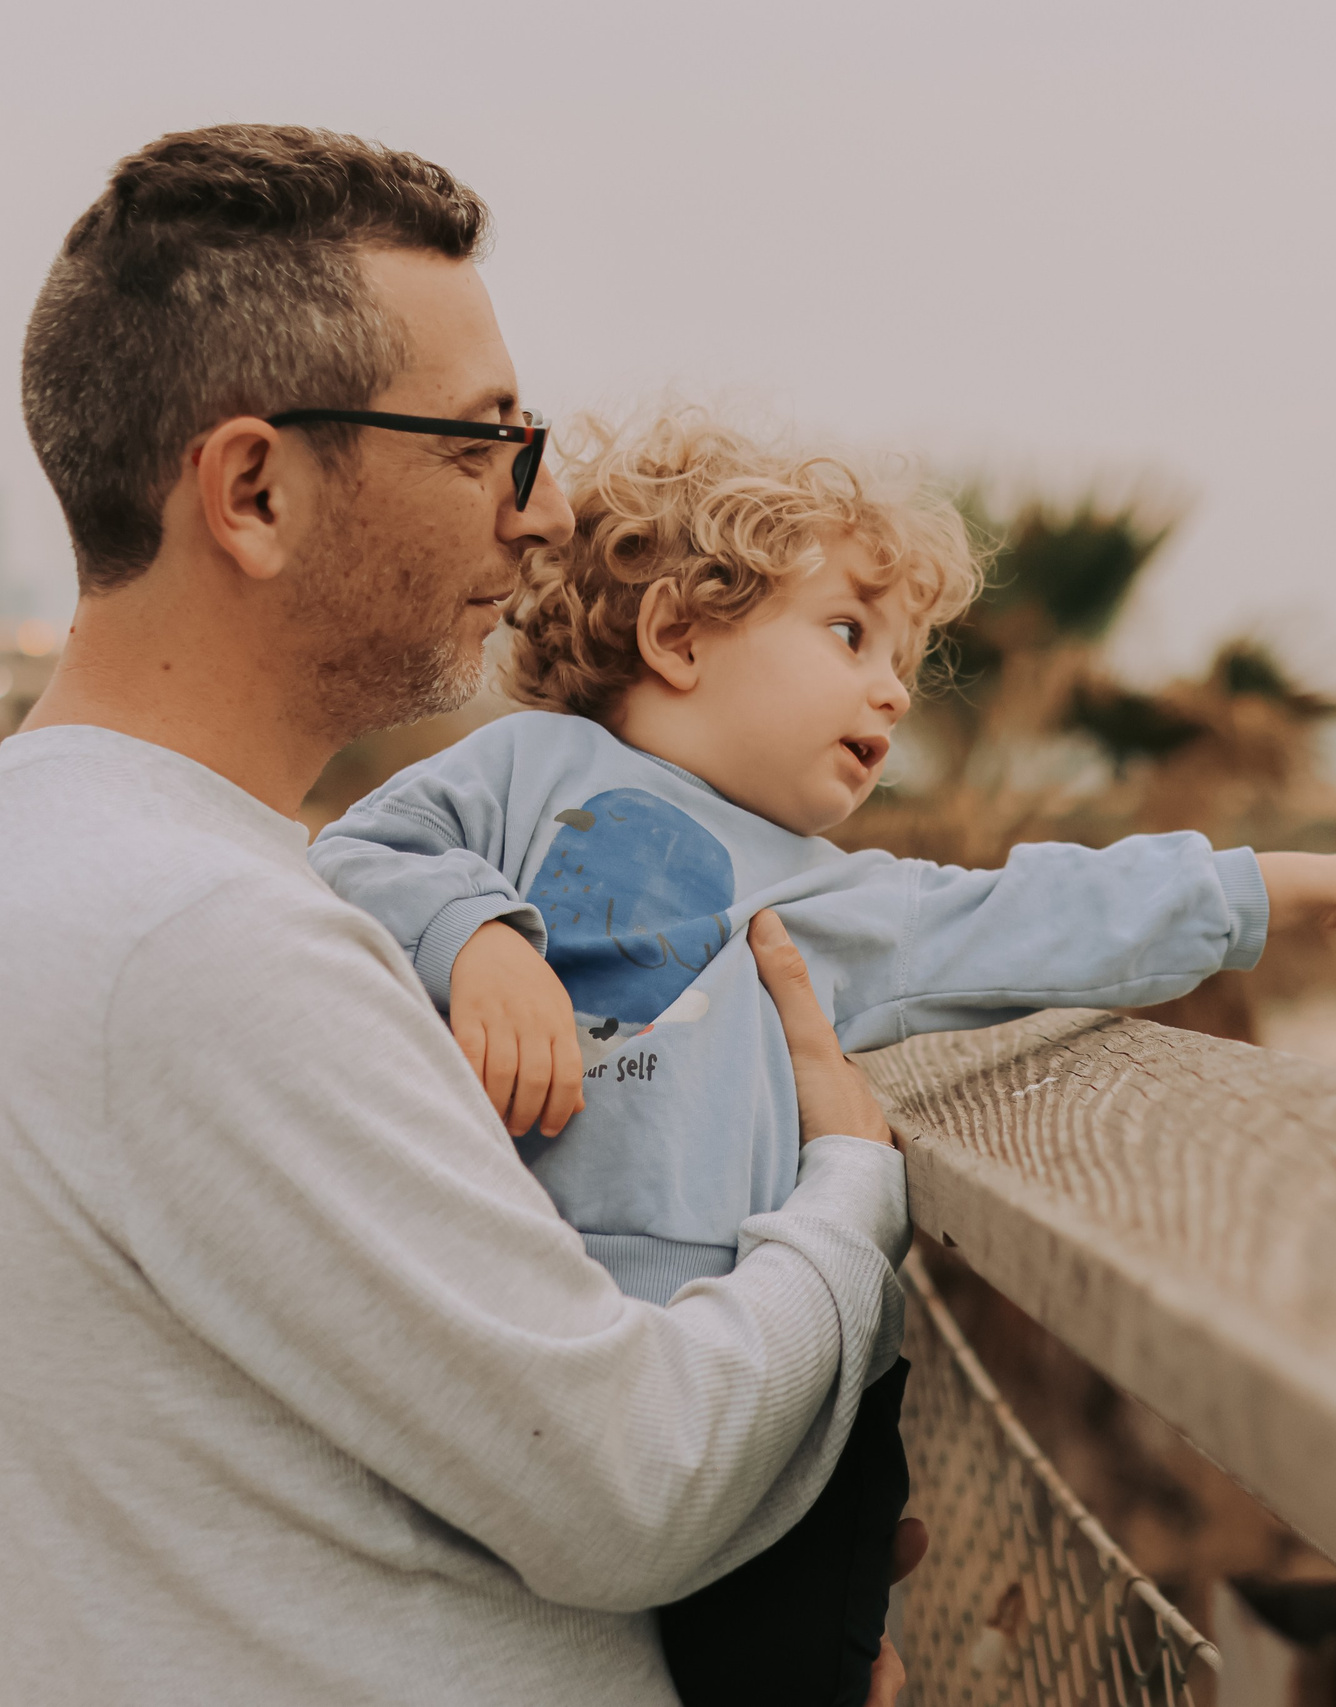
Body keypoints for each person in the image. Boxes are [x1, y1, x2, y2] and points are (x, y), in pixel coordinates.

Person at [305, 407, 1336, 1706]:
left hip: (774, 1420)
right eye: (848, 634)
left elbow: (1044, 915)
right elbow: (360, 854)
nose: (892, 686)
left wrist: (1281, 884)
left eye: (907, 657)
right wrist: (480, 941)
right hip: (528, 1355)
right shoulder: (526, 771)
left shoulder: (855, 902)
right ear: (679, 634)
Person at [1, 124, 917, 1706]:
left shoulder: (73, 859)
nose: (545, 513)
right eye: (484, 441)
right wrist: (846, 1197)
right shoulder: (205, 941)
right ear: (256, 490)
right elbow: (635, 1479)